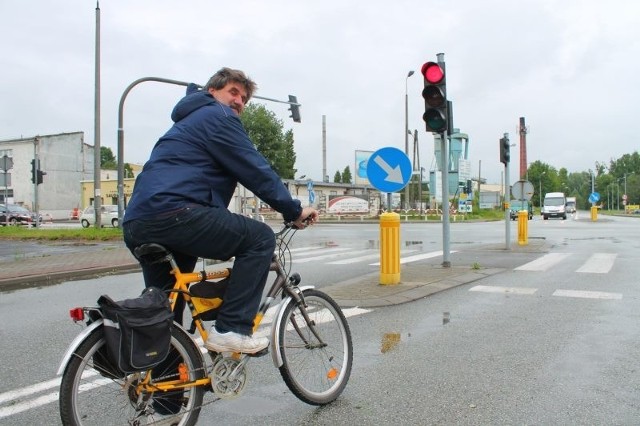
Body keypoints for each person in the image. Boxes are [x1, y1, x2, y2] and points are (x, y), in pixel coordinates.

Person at [123, 67, 318, 354]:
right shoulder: (218, 116)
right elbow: (255, 170)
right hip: (177, 213)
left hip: (139, 222)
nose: (239, 101)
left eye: (244, 99)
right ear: (212, 91)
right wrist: (293, 210)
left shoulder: (188, 122)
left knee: (166, 316)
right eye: (233, 92)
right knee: (260, 238)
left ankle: (170, 394)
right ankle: (232, 329)